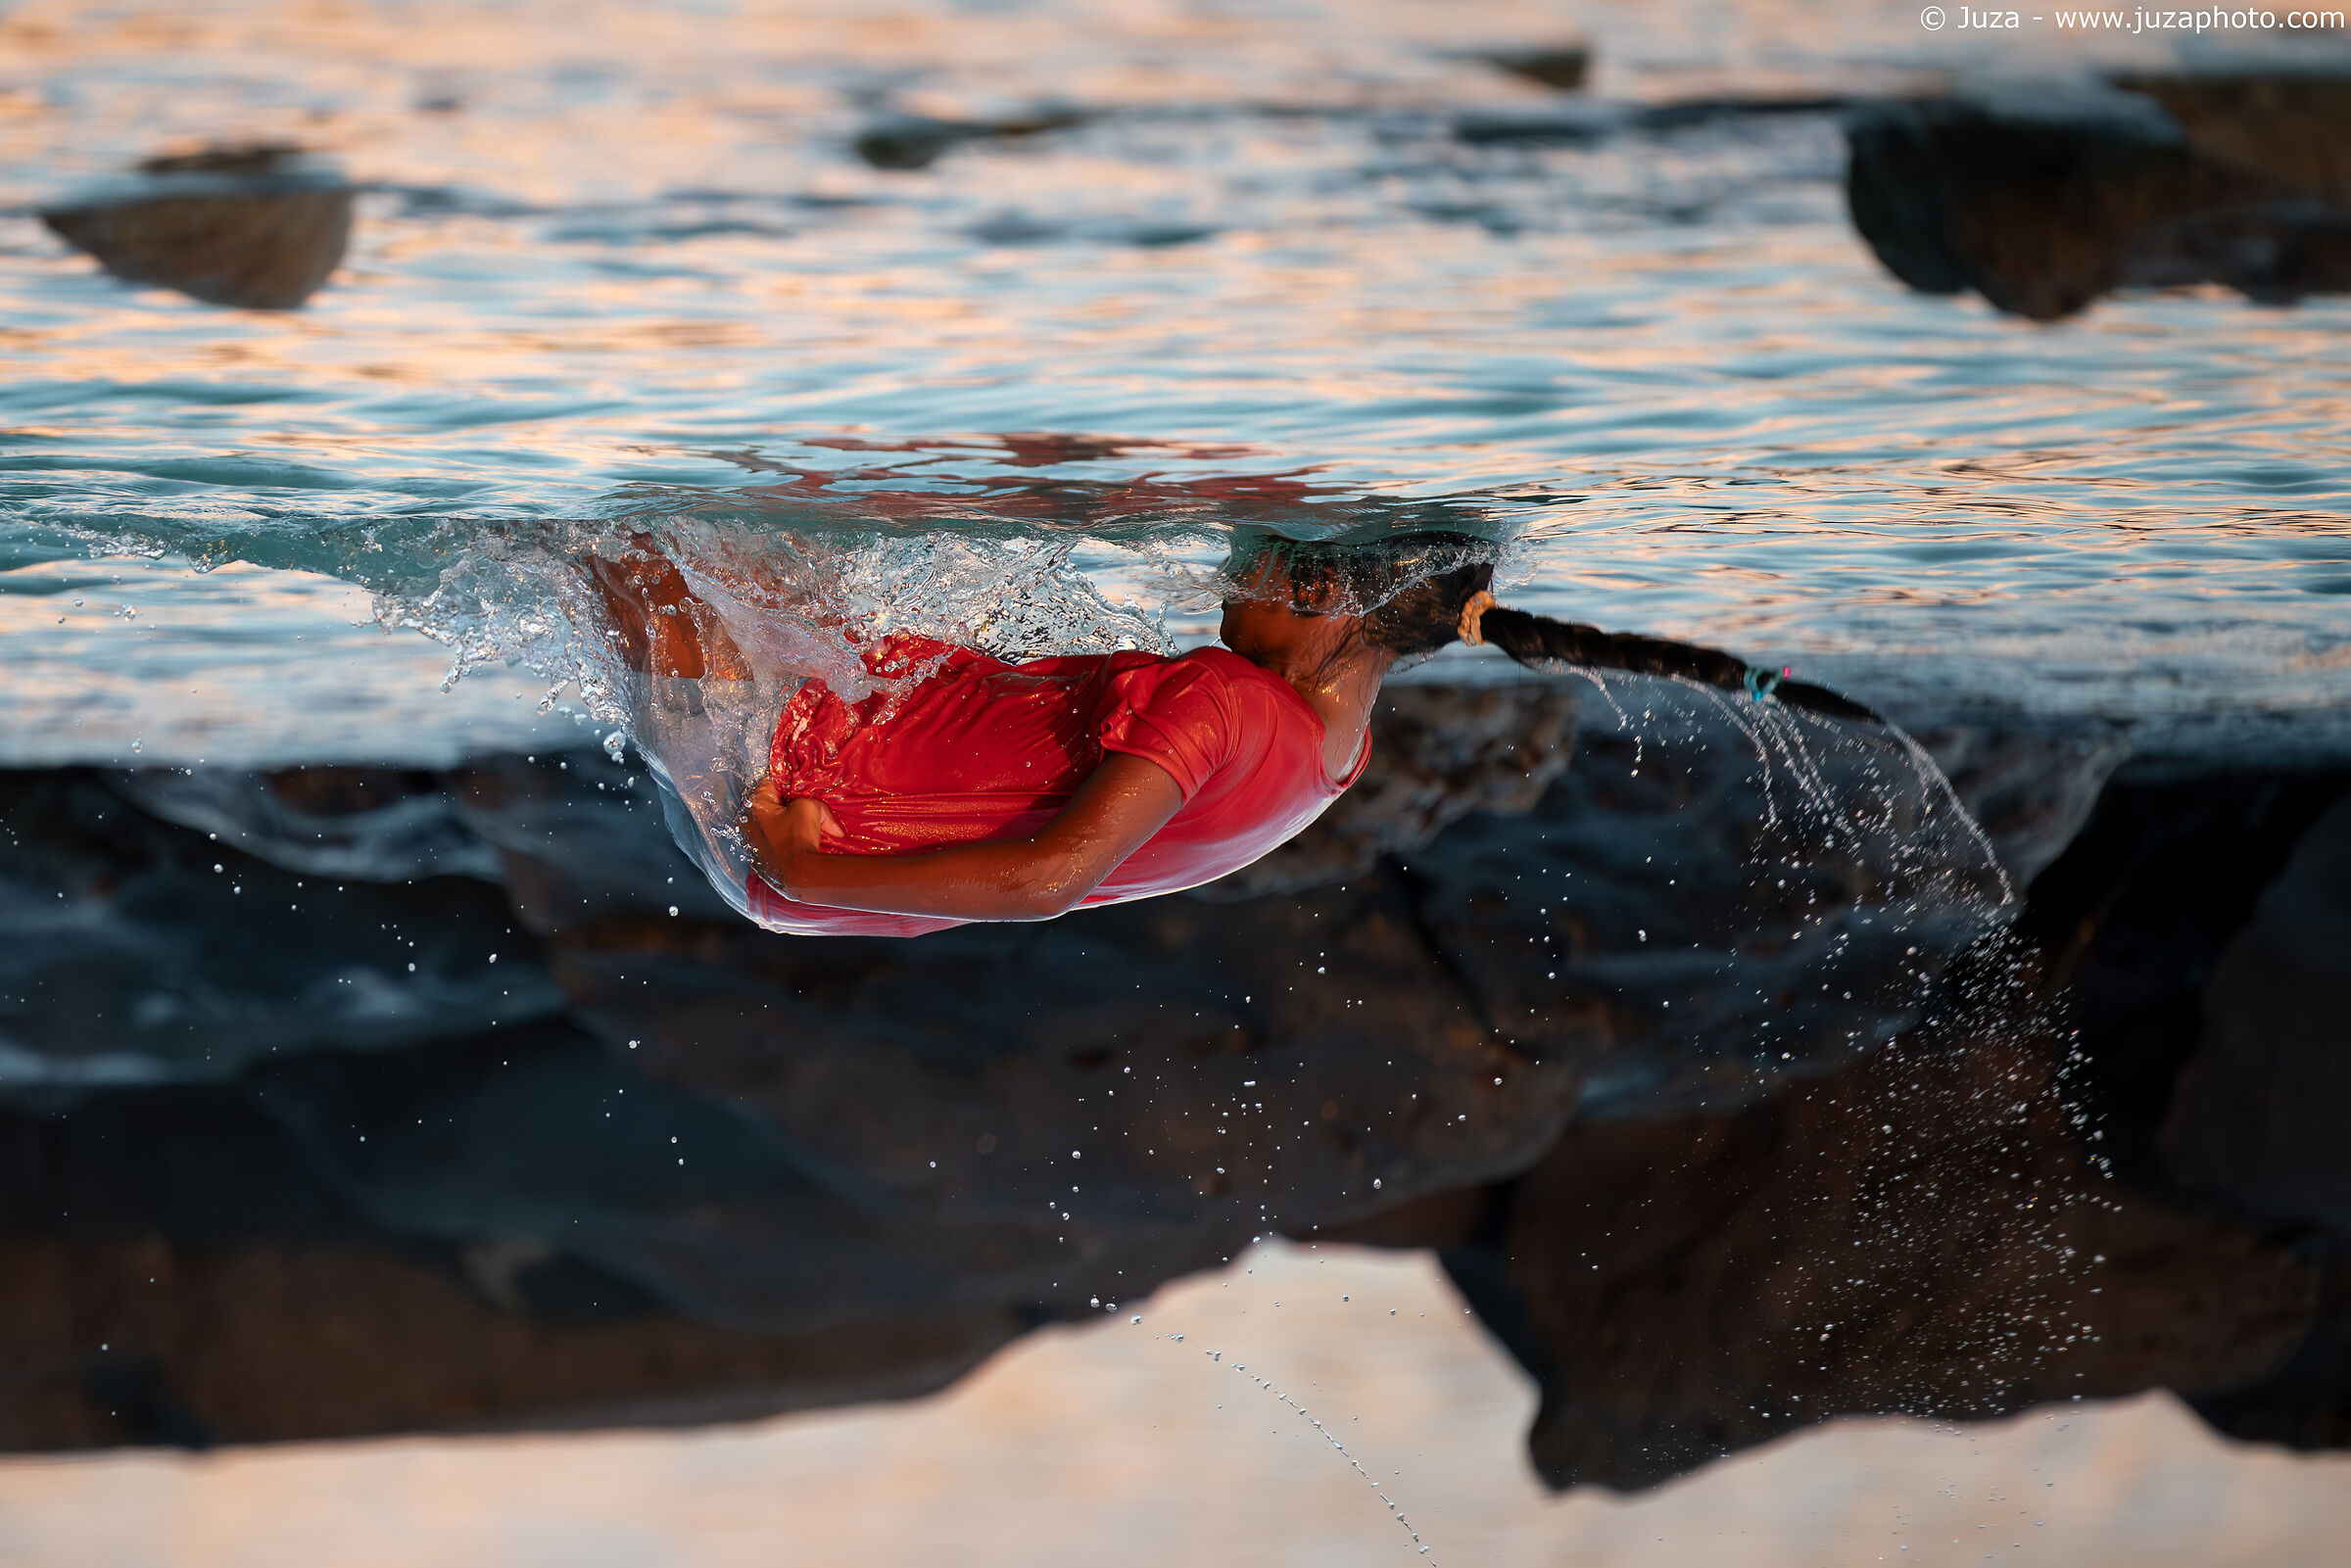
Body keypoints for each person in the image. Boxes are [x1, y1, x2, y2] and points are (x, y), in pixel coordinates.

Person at [586, 531, 1871, 937]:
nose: (1225, 585)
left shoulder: (1226, 702)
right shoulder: (1333, 745)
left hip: (802, 793)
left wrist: (802, 865)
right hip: (849, 782)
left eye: (1247, 566)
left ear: (1320, 599)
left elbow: (1052, 879)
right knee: (744, 529)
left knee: (616, 532)